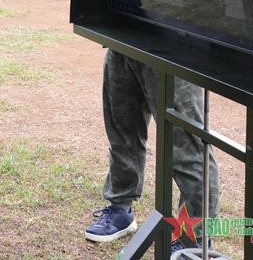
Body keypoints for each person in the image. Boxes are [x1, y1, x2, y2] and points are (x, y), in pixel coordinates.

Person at [85, 49, 219, 249]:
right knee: (122, 135)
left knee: (187, 150)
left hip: (170, 49)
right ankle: (121, 209)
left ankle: (197, 239)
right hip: (123, 42)